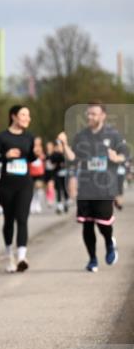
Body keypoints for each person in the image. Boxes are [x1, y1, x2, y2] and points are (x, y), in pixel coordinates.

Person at [59, 103, 130, 272]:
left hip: (105, 186)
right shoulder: (81, 136)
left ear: (103, 115)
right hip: (86, 186)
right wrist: (64, 144)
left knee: (103, 223)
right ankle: (92, 259)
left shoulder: (113, 135)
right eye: (88, 113)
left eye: (94, 114)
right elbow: (73, 159)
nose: (90, 117)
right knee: (87, 224)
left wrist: (117, 157)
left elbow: (125, 154)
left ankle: (109, 242)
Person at [0, 106, 37, 273]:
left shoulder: (29, 137)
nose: (27, 118)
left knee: (22, 219)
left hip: (25, 184)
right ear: (14, 116)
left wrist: (37, 153)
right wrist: (5, 156)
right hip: (6, 185)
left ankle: (22, 257)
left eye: (28, 115)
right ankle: (9, 255)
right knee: (9, 220)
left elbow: (31, 157)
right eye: (24, 114)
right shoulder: (1, 137)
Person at [47, 137, 70, 214]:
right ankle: (59, 205)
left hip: (65, 174)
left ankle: (66, 202)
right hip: (57, 174)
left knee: (65, 189)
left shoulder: (65, 153)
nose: (58, 147)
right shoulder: (54, 154)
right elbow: (52, 162)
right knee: (59, 190)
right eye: (57, 146)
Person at [29, 137, 46, 214]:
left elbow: (43, 158)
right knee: (32, 190)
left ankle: (38, 203)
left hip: (40, 172)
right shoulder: (30, 149)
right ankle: (32, 203)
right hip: (31, 172)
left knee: (39, 188)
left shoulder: (42, 150)